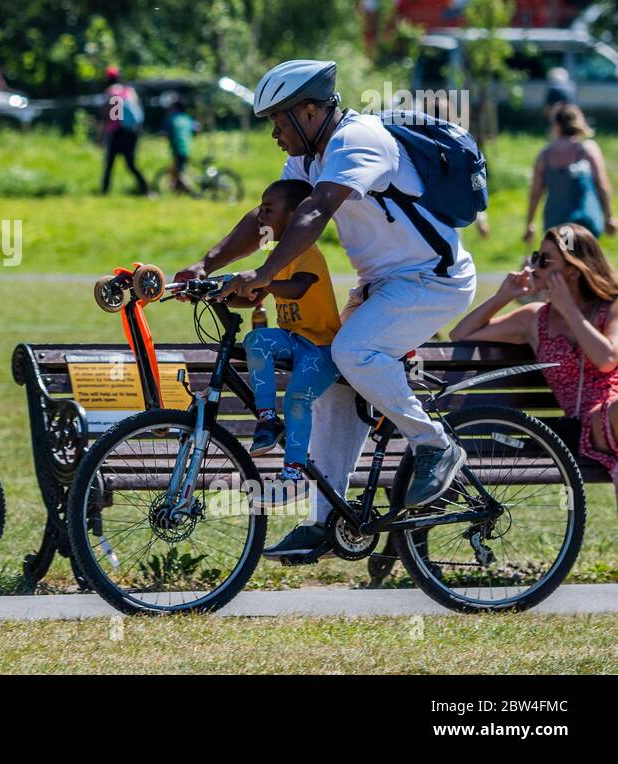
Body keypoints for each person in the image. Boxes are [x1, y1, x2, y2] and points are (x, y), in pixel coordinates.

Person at [177, 59, 477, 561]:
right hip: (384, 285)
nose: (273, 132)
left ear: (311, 112)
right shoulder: (309, 158)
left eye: (278, 120)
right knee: (334, 384)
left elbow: (315, 213)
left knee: (353, 352)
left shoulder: (358, 141)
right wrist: (205, 263)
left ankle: (434, 444)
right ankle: (327, 522)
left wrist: (265, 275)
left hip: (432, 281)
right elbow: (271, 215)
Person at [451, 224, 618, 497]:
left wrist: (569, 309)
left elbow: (607, 359)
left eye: (544, 259)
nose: (533, 266)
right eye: (534, 256)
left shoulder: (610, 307)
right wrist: (504, 295)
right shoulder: (533, 319)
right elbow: (461, 335)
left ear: (573, 271)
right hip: (587, 424)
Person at [241, 180, 342, 488]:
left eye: (268, 209)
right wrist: (221, 289)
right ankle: (268, 420)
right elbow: (250, 296)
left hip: (321, 349)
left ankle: (293, 475)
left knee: (297, 399)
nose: (260, 215)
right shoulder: (276, 259)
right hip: (295, 341)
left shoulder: (308, 254)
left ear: (294, 215)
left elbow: (297, 288)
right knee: (256, 340)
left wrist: (261, 281)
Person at [525, 104, 614, 242]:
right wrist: (609, 216)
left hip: (556, 224)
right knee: (585, 260)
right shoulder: (588, 150)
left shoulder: (545, 155)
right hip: (586, 222)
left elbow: (535, 192)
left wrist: (530, 223)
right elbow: (602, 185)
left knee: (562, 261)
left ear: (556, 125)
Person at [98, 66, 149, 195]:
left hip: (117, 132)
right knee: (131, 164)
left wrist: (103, 133)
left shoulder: (111, 92)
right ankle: (145, 188)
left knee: (109, 163)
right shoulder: (129, 91)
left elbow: (113, 116)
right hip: (132, 131)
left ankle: (104, 191)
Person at [162, 93, 197, 194]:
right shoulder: (187, 118)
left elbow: (165, 133)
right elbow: (196, 129)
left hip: (177, 148)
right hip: (186, 147)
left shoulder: (171, 118)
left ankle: (191, 191)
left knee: (179, 172)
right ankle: (177, 190)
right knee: (178, 169)